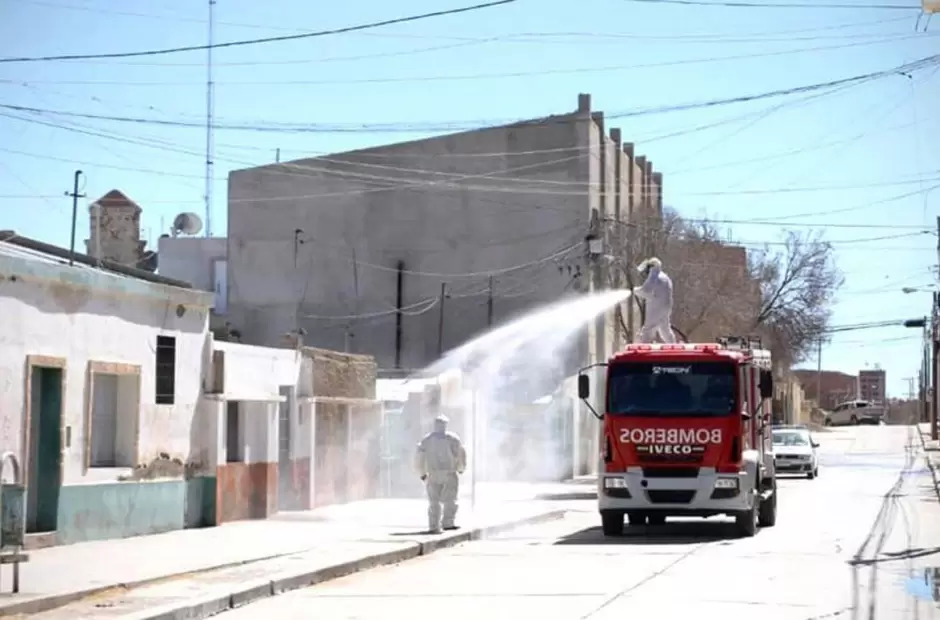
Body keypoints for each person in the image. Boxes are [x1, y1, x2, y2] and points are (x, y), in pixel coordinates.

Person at [414, 414, 467, 534]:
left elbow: (418, 458)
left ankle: (435, 526)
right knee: (447, 500)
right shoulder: (452, 439)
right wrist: (461, 468)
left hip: (436, 474)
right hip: (447, 473)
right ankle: (447, 523)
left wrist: (421, 473)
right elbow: (461, 455)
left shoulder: (427, 440)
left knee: (437, 501)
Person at [633, 257, 676, 344]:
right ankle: (674, 346)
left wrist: (635, 290)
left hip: (656, 307)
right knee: (665, 329)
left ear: (651, 267)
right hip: (666, 307)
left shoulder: (654, 276)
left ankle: (643, 351)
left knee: (648, 329)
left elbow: (645, 290)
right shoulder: (665, 277)